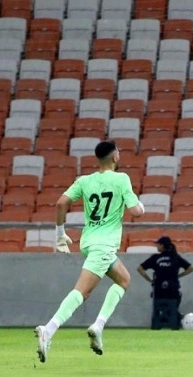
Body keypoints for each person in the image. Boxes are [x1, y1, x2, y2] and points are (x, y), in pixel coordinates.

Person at [34, 140, 145, 363]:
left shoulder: (85, 181)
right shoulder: (121, 179)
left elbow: (60, 203)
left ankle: (98, 326)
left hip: (89, 242)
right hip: (104, 245)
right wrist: (141, 206)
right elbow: (136, 211)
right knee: (82, 292)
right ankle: (49, 329)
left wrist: (60, 234)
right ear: (115, 157)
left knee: (124, 280)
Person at [137, 236, 193, 327]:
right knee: (173, 306)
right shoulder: (175, 257)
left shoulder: (156, 258)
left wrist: (149, 280)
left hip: (158, 290)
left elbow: (140, 268)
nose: (157, 246)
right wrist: (179, 276)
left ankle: (160, 322)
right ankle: (175, 320)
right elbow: (191, 268)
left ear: (162, 245)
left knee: (159, 308)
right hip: (173, 290)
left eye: (158, 244)